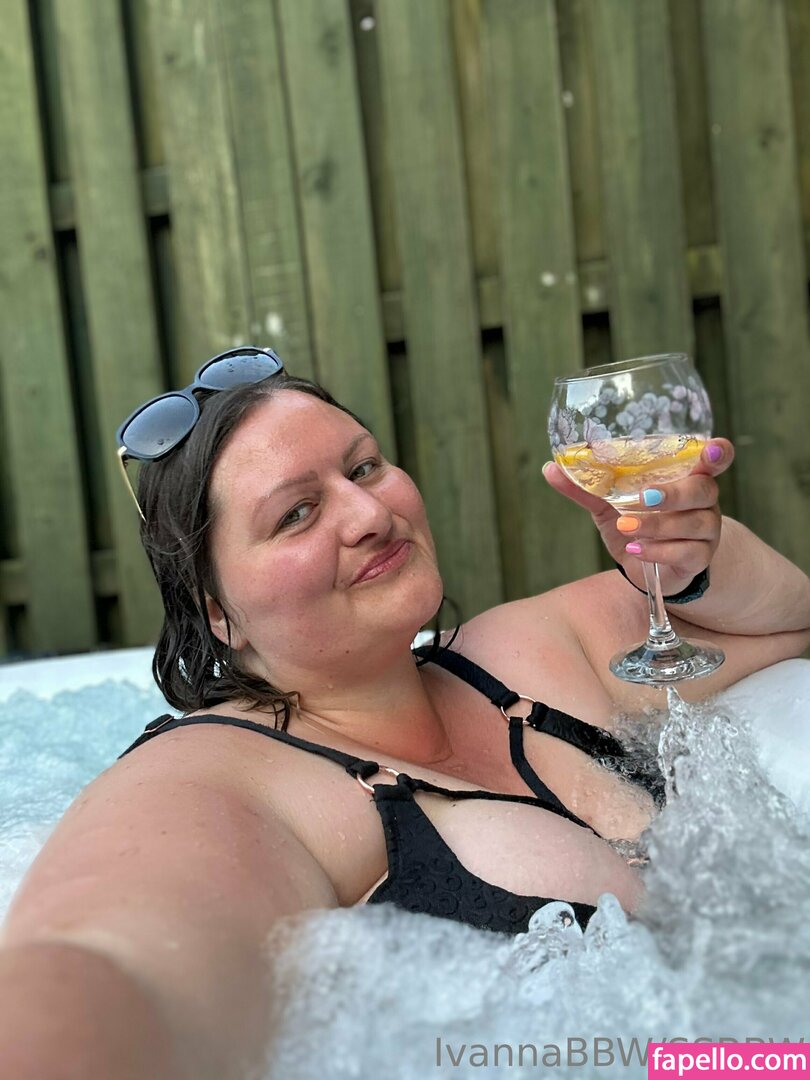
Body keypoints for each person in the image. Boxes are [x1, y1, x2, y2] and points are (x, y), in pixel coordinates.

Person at [2, 346, 808, 1080]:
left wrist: (689, 565)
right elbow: (115, 968)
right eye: (296, 513)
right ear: (218, 612)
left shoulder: (521, 652)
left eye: (363, 467)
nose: (368, 515)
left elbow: (789, 624)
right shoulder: (216, 783)